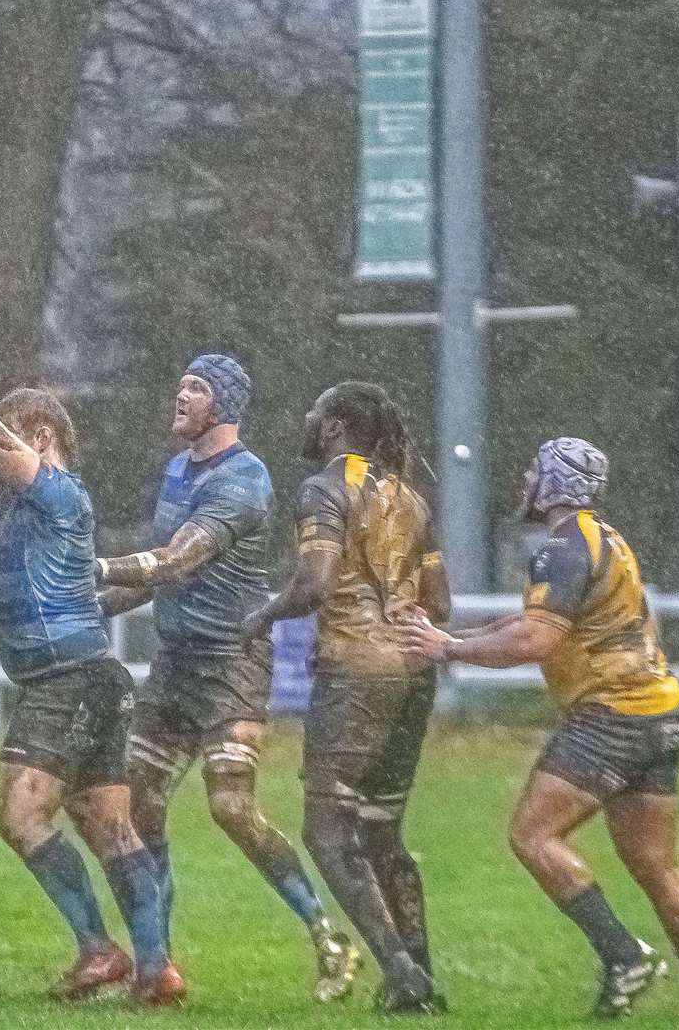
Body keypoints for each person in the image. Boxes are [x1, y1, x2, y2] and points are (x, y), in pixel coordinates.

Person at [399, 438, 679, 1022]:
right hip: (660, 713)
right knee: (657, 866)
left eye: (534, 471)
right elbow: (540, 620)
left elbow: (538, 639)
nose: (525, 480)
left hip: (610, 715)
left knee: (533, 836)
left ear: (554, 482)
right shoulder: (604, 538)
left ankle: (623, 955)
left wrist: (448, 649)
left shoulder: (559, 547)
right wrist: (464, 629)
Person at [95, 354, 359, 1004]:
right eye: (180, 381)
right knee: (139, 806)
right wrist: (81, 605)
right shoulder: (177, 470)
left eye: (197, 387)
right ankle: (157, 968)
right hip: (175, 664)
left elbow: (171, 560)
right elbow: (166, 580)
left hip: (233, 663)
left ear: (225, 406)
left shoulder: (244, 482)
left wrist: (88, 568)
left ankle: (328, 937)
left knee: (231, 808)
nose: (181, 394)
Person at [0, 385, 182, 1005]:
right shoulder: (20, 507)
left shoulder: (58, 492)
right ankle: (156, 972)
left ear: (39, 439)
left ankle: (99, 951)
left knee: (18, 814)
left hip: (69, 682)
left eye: (8, 438)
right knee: (108, 825)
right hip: (89, 680)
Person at [243, 382, 448, 1013]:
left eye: (313, 412)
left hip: (356, 670)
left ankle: (401, 971)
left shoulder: (324, 489)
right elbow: (439, 605)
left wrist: (259, 617)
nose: (305, 420)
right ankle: (422, 975)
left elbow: (314, 582)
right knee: (382, 830)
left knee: (327, 831)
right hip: (414, 673)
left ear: (334, 425)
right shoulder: (410, 497)